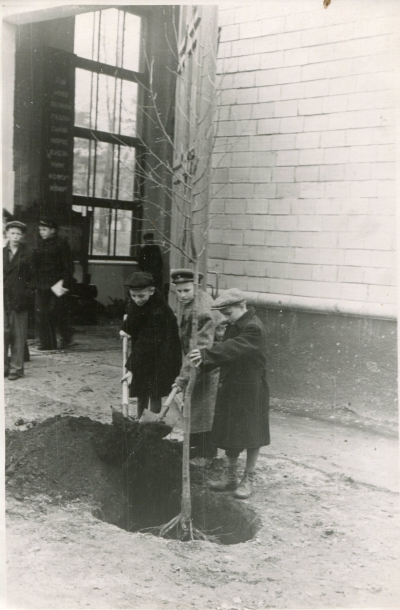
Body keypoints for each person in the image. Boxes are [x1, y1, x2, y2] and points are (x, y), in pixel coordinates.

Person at [189, 288, 270, 499]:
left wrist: (208, 354)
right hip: (232, 385)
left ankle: (248, 478)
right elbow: (226, 351)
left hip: (251, 388)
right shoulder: (234, 324)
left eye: (228, 313)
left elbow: (234, 348)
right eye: (223, 314)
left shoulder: (253, 328)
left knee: (252, 435)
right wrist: (203, 365)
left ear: (241, 306)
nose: (225, 318)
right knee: (230, 432)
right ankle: (231, 476)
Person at [171, 268, 223, 468]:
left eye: (186, 290)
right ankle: (193, 445)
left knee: (204, 407)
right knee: (195, 404)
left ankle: (206, 454)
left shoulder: (201, 310)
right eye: (179, 291)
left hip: (209, 362)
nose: (182, 295)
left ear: (196, 287)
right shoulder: (192, 301)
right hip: (201, 359)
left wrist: (181, 380)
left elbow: (199, 348)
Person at [120, 272, 182, 418]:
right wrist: (126, 329)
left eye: (141, 296)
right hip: (146, 351)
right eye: (133, 295)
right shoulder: (139, 302)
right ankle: (139, 418)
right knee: (141, 387)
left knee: (155, 390)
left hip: (163, 353)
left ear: (152, 291)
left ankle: (152, 420)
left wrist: (131, 368)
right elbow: (134, 315)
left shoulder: (159, 311)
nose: (137, 300)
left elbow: (147, 341)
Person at [33, 218, 74, 350]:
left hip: (57, 283)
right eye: (40, 230)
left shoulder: (61, 244)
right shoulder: (39, 244)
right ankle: (47, 343)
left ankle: (66, 336)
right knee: (41, 313)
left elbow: (68, 266)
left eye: (44, 230)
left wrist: (64, 283)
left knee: (56, 312)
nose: (41, 232)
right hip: (42, 283)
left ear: (53, 230)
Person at [3, 221, 34, 380]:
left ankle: (16, 369)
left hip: (20, 299)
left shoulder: (28, 253)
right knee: (3, 334)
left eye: (18, 234)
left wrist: (27, 294)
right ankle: (4, 367)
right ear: (6, 234)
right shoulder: (2, 253)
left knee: (18, 336)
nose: (15, 237)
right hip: (4, 299)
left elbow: (33, 278)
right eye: (12, 233)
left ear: (22, 236)